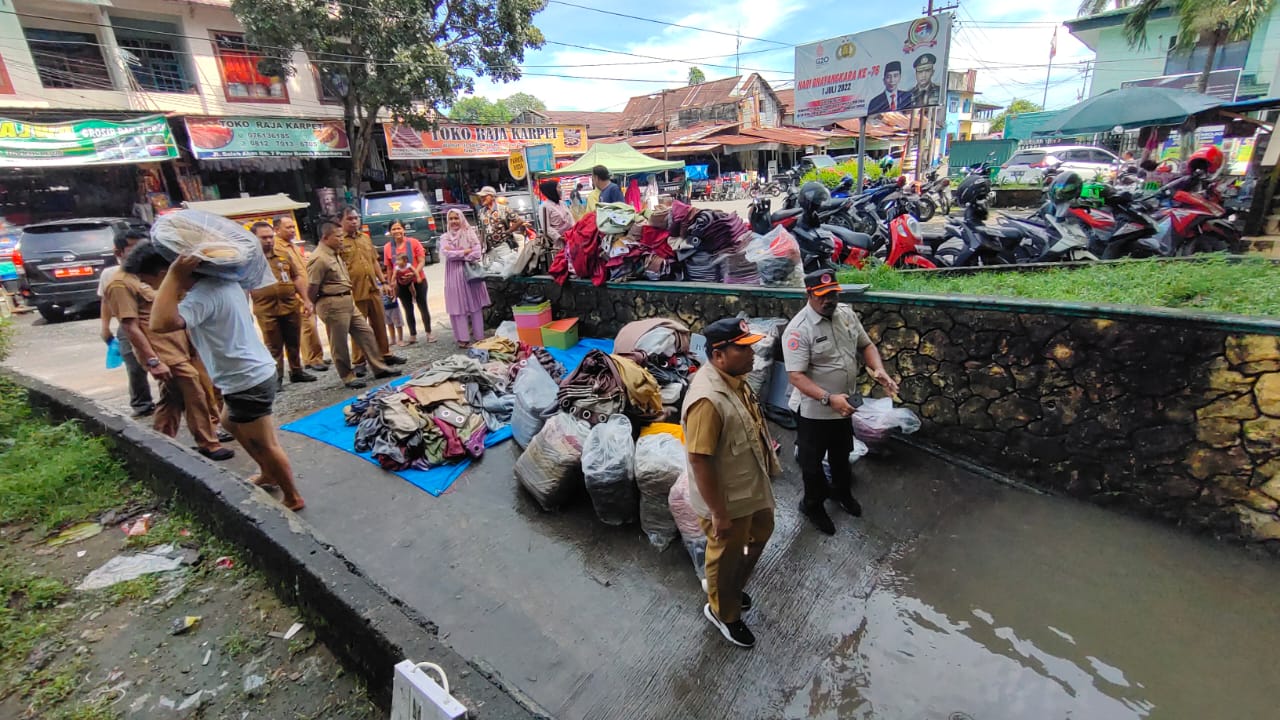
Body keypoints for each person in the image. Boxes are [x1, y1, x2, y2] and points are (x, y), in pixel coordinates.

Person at [149, 252, 306, 511]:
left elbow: (159, 323)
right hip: (248, 373)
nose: (153, 287)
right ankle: (268, 473)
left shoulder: (203, 296)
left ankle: (292, 496)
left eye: (152, 280)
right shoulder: (224, 283)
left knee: (265, 443)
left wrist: (174, 277)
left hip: (247, 378)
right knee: (228, 422)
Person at [682, 318, 781, 649]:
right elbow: (699, 460)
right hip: (726, 500)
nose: (752, 353)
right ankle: (724, 612)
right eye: (744, 348)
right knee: (725, 557)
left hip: (750, 486)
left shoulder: (736, 379)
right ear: (719, 354)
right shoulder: (707, 399)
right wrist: (718, 513)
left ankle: (729, 588)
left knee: (761, 532)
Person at [783, 270, 899, 535]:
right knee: (812, 463)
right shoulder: (799, 330)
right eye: (823, 295)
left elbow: (866, 345)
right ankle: (812, 505)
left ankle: (841, 492)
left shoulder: (846, 314)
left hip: (845, 405)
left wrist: (878, 369)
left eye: (833, 293)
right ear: (809, 294)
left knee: (841, 452)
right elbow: (796, 376)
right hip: (814, 411)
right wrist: (828, 398)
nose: (829, 300)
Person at [106, 241, 233, 461]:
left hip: (180, 346)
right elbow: (130, 326)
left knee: (171, 399)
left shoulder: (148, 279)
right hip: (162, 352)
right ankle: (208, 443)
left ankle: (160, 444)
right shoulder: (120, 284)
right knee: (195, 392)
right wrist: (152, 360)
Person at [306, 222, 400, 389]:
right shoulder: (319, 258)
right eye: (338, 236)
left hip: (347, 299)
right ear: (326, 237)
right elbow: (312, 287)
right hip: (332, 302)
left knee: (366, 332)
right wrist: (314, 304)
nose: (342, 239)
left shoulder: (334, 253)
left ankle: (379, 367)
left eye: (342, 236)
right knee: (339, 343)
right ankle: (347, 376)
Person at [248, 221, 317, 389]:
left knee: (293, 340)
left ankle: (296, 371)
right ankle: (277, 377)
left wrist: (306, 299)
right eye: (263, 238)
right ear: (253, 238)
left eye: (270, 237)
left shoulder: (283, 254)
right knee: (273, 345)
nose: (269, 241)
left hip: (289, 304)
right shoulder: (249, 260)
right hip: (266, 309)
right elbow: (242, 285)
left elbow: (296, 277)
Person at [337, 206, 405, 374]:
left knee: (379, 323)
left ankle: (385, 354)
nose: (354, 221)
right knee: (357, 327)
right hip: (354, 290)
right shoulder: (339, 241)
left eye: (356, 218)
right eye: (349, 219)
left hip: (373, 288)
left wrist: (384, 282)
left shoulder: (364, 238)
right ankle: (359, 361)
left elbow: (374, 261)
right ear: (341, 221)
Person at [98, 229, 154, 417]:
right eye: (134, 247)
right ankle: (142, 405)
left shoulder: (151, 269)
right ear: (119, 252)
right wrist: (105, 327)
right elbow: (106, 301)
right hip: (129, 325)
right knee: (135, 367)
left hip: (154, 324)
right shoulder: (113, 276)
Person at [275, 216, 329, 372]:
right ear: (277, 229)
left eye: (293, 227)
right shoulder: (278, 248)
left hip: (307, 293)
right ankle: (311, 359)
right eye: (288, 227)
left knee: (312, 325)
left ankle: (317, 356)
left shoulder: (293, 246)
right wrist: (300, 296)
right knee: (307, 326)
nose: (292, 230)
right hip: (297, 295)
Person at [440, 209, 490, 349]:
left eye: (457, 218)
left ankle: (479, 336)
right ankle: (463, 339)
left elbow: (477, 253)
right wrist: (465, 251)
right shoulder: (445, 237)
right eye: (451, 219)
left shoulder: (469, 233)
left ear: (461, 218)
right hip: (453, 275)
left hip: (470, 274)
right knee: (458, 307)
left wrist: (458, 253)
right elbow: (446, 253)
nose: (454, 221)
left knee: (475, 305)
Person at [381, 219, 435, 343]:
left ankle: (429, 333)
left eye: (399, 228)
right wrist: (391, 283)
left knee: (422, 306)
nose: (397, 231)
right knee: (407, 308)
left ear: (404, 229)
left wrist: (414, 273)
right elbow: (389, 267)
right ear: (390, 232)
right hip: (400, 283)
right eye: (393, 229)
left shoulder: (414, 243)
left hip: (418, 280)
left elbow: (421, 260)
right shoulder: (388, 248)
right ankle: (413, 334)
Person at [475, 186, 522, 252]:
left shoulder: (504, 209)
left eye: (484, 196)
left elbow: (520, 221)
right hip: (490, 249)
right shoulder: (481, 212)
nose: (482, 198)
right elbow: (482, 231)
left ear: (492, 196)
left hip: (504, 246)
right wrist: (481, 247)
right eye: (481, 197)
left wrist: (508, 231)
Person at [537, 178, 574, 259]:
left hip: (570, 238)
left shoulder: (562, 203)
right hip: (558, 242)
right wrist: (560, 237)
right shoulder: (544, 206)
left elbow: (571, 219)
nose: (561, 190)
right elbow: (546, 228)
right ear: (552, 190)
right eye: (559, 187)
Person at [384, 275, 406, 347]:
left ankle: (400, 339)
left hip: (393, 306)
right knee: (389, 323)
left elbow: (396, 289)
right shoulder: (377, 283)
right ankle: (392, 338)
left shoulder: (391, 281)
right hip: (383, 307)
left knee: (398, 323)